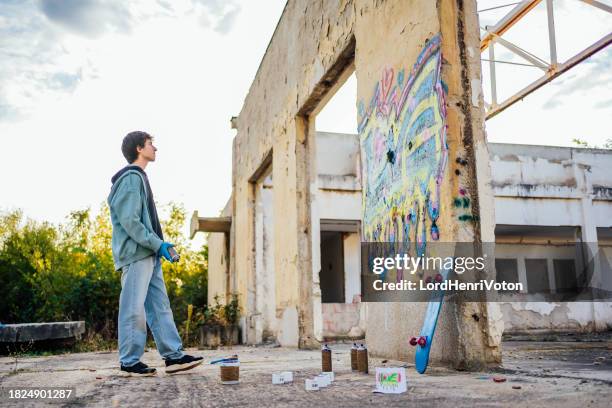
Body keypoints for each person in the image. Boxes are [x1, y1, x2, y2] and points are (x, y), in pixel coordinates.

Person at [108, 131, 203, 376]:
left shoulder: (140, 178)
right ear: (139, 148)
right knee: (133, 307)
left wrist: (161, 246)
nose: (155, 148)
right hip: (136, 255)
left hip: (149, 254)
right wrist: (156, 244)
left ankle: (173, 357)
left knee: (160, 307)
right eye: (151, 144)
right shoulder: (130, 178)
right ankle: (129, 361)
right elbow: (130, 221)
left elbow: (144, 221)